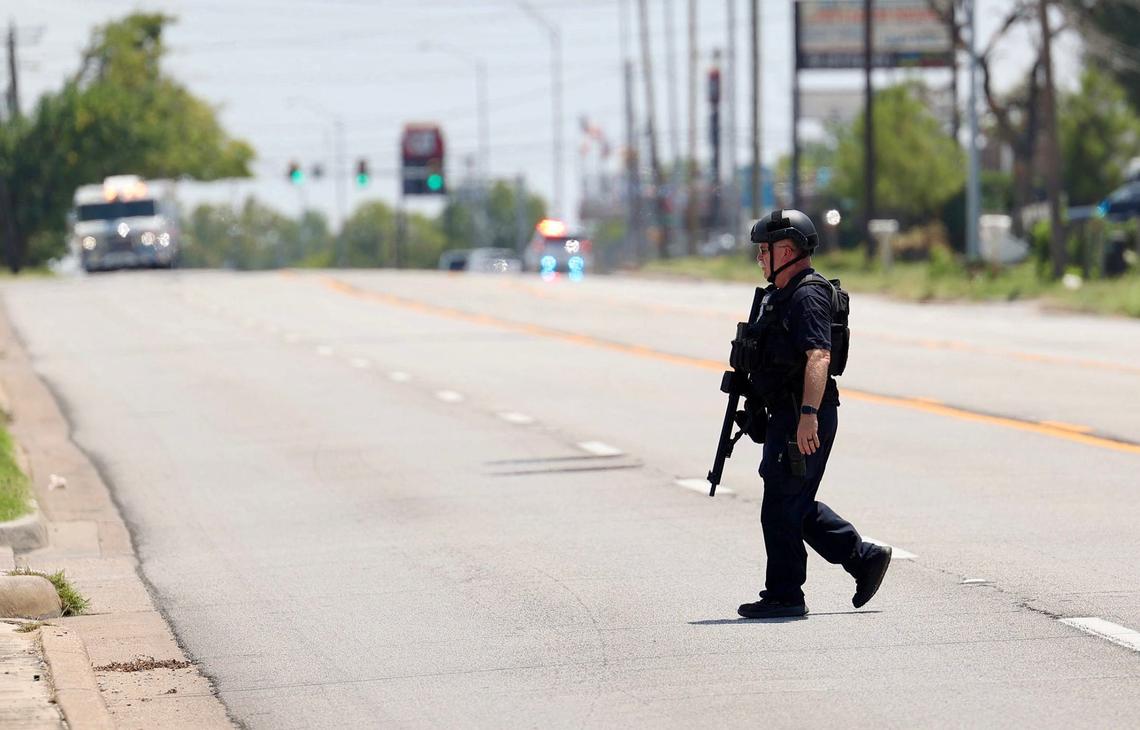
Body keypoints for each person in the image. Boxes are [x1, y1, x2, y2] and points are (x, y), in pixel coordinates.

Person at [735, 209, 891, 620]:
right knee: (792, 502)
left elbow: (818, 355)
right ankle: (863, 558)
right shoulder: (778, 296)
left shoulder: (806, 295)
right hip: (786, 413)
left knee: (781, 506)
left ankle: (786, 594)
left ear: (786, 250)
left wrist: (808, 414)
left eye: (763, 251)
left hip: (806, 414)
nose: (760, 259)